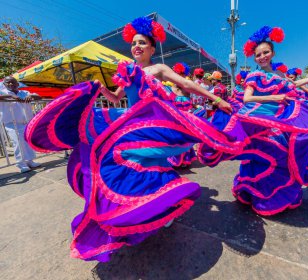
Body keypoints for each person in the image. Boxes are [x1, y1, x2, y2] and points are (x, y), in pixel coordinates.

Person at [25, 16, 237, 262]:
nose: (137, 46)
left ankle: (160, 208)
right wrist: (99, 89)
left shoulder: (158, 69)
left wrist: (217, 99)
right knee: (121, 161)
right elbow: (116, 99)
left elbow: (186, 85)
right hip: (130, 122)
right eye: (134, 43)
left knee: (147, 160)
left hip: (152, 124)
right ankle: (147, 209)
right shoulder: (127, 70)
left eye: (142, 43)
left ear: (151, 48)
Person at [198, 25, 308, 216]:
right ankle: (257, 192)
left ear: (272, 53)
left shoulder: (279, 74)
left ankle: (274, 195)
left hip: (282, 121)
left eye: (265, 52)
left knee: (284, 155)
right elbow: (247, 98)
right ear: (254, 57)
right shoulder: (255, 75)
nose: (262, 57)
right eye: (258, 55)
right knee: (261, 153)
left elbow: (293, 84)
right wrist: (274, 98)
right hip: (260, 119)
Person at [0, 76, 41, 172]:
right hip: (11, 123)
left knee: (26, 142)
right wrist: (10, 96)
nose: (10, 84)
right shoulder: (3, 92)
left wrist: (31, 96)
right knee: (18, 143)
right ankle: (21, 164)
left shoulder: (24, 93)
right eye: (7, 83)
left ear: (17, 84)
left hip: (26, 122)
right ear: (4, 85)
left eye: (12, 82)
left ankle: (30, 161)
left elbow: (39, 96)